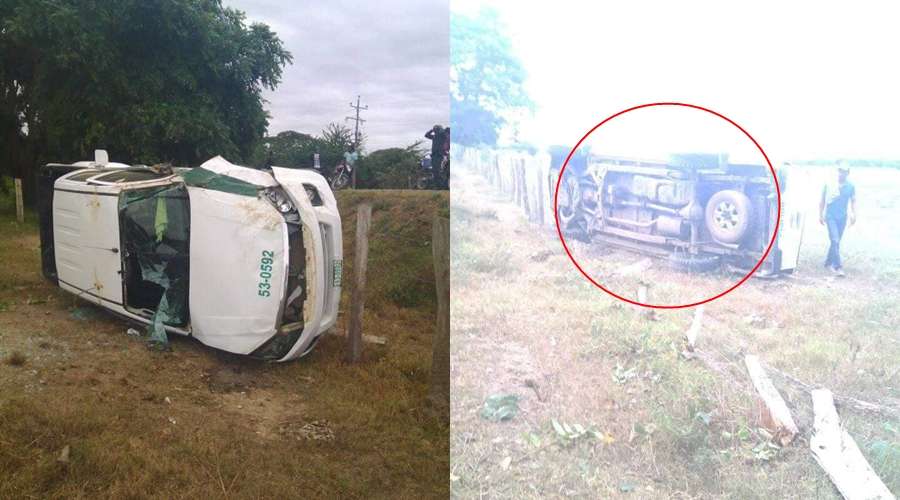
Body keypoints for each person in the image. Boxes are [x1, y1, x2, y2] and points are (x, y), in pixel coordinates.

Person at [819, 163, 856, 276]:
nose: (841, 173)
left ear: (847, 173)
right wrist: (820, 214)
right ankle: (838, 266)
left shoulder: (850, 186)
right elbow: (822, 200)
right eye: (839, 171)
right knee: (835, 240)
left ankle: (828, 261)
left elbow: (853, 200)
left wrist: (854, 214)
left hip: (842, 217)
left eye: (843, 171)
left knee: (836, 240)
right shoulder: (829, 184)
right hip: (830, 216)